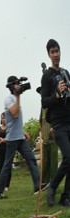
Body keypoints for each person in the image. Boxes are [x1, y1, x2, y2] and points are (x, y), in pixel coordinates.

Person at [0, 76, 42, 200]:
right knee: (7, 165)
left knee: (31, 159)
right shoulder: (8, 99)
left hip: (19, 137)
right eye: (16, 84)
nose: (18, 86)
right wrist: (18, 96)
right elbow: (14, 115)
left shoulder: (15, 98)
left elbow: (16, 122)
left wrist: (23, 131)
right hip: (12, 139)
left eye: (18, 84)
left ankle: (38, 186)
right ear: (11, 86)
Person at [41, 39, 70, 207]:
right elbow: (44, 102)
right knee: (68, 157)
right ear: (49, 54)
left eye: (57, 50)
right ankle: (52, 186)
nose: (56, 54)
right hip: (58, 123)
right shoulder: (47, 76)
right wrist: (57, 95)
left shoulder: (66, 73)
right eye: (52, 52)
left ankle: (65, 197)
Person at [36, 87, 58, 189]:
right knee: (45, 163)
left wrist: (53, 128)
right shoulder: (42, 106)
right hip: (44, 139)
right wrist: (40, 131)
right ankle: (44, 182)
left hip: (53, 138)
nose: (41, 94)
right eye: (40, 93)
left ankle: (53, 184)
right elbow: (41, 121)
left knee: (53, 163)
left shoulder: (53, 104)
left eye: (42, 92)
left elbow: (57, 118)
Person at [0, 112, 11, 191]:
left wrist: (4, 140)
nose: (3, 119)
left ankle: (7, 185)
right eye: (2, 118)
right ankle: (1, 184)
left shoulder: (10, 127)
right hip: (0, 149)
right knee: (0, 167)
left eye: (5, 118)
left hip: (8, 149)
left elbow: (11, 138)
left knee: (7, 167)